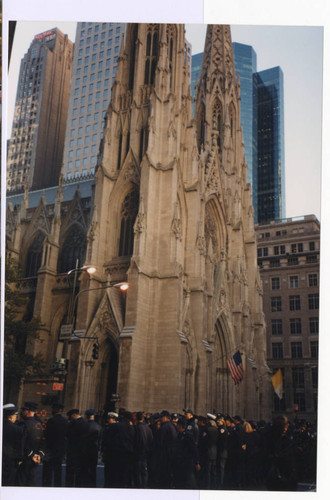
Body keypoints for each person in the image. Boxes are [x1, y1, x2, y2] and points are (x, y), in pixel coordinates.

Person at [16, 401, 45, 486]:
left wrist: (31, 455)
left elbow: (22, 442)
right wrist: (39, 454)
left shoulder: (25, 424)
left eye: (24, 410)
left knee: (21, 482)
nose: (22, 412)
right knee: (31, 481)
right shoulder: (40, 424)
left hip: (26, 458)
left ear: (28, 411)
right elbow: (43, 441)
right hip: (36, 459)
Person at [42, 402, 69, 487]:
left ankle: (47, 486)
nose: (52, 410)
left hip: (51, 448)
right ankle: (58, 486)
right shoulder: (65, 421)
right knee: (58, 469)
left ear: (58, 410)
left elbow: (47, 435)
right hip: (60, 449)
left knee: (48, 469)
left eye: (53, 408)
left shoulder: (51, 420)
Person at [171, 417, 200, 489]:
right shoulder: (179, 435)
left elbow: (194, 450)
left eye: (177, 424)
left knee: (188, 482)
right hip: (179, 463)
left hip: (187, 463)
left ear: (180, 425)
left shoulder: (188, 436)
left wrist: (197, 462)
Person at [65, 409, 90, 487]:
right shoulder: (85, 423)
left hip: (74, 451)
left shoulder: (74, 424)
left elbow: (70, 436)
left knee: (71, 473)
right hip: (82, 451)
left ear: (74, 415)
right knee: (80, 473)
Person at [2, 404, 23, 486]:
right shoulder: (17, 429)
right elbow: (19, 446)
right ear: (11, 417)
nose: (16, 417)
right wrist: (19, 459)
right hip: (11, 460)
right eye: (15, 415)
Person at [134, 411, 153, 488]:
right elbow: (151, 440)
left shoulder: (136, 428)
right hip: (146, 453)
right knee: (144, 472)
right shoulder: (148, 428)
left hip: (138, 453)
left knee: (137, 473)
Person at [85, 409, 102, 487]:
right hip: (94, 449)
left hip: (84, 450)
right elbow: (100, 439)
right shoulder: (98, 426)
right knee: (93, 469)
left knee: (84, 469)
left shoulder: (84, 425)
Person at [102, 411, 119, 487]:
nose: (108, 420)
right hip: (113, 453)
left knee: (109, 471)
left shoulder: (111, 428)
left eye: (109, 418)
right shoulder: (116, 427)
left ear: (113, 419)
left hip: (110, 452)